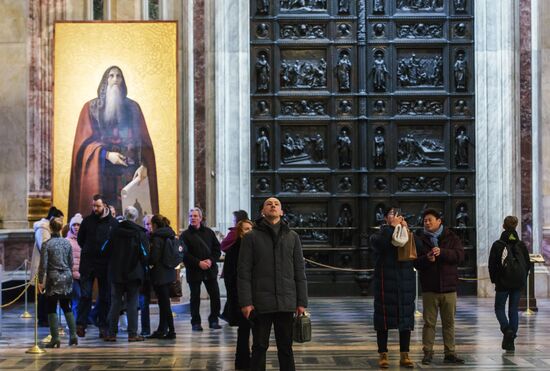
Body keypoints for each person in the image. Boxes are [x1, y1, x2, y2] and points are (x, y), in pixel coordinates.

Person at [68, 66, 159, 218]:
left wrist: (144, 166)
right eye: (111, 76)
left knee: (130, 218)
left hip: (129, 176)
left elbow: (144, 144)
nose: (115, 79)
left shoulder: (133, 108)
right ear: (105, 81)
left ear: (123, 81)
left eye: (118, 76)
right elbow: (83, 146)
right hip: (102, 175)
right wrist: (106, 154)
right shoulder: (91, 108)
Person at [238, 197, 308, 371]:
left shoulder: (293, 237)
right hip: (261, 302)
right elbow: (243, 272)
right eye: (269, 204)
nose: (273, 206)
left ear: (282, 212)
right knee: (259, 347)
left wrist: (302, 302)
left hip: (286, 302)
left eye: (277, 204)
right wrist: (246, 302)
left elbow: (300, 272)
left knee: (286, 348)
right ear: (263, 211)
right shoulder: (251, 237)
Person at [415, 208, 465, 365]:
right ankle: (428, 352)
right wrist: (426, 258)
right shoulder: (420, 239)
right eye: (425, 221)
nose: (427, 223)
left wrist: (442, 252)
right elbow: (415, 261)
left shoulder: (451, 237)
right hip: (430, 288)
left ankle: (450, 353)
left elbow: (459, 256)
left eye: (430, 220)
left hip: (449, 288)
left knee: (449, 322)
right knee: (429, 323)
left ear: (439, 221)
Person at [370, 207, 415, 368]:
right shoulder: (379, 234)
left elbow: (415, 253)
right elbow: (380, 244)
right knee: (383, 320)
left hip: (405, 283)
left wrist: (405, 229)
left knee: (406, 320)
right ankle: (383, 354)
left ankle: (405, 354)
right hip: (385, 282)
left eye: (398, 214)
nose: (395, 217)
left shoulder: (406, 232)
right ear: (385, 218)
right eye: (391, 214)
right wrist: (391, 228)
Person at [102, 206, 149, 342]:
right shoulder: (140, 233)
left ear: (124, 215)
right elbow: (145, 254)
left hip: (116, 273)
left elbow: (104, 250)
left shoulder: (114, 232)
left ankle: (111, 333)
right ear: (135, 217)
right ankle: (132, 334)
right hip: (134, 274)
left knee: (115, 302)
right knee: (132, 303)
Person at [76, 194, 120, 338]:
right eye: (93, 205)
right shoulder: (87, 221)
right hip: (88, 264)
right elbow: (81, 240)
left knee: (105, 297)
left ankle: (104, 326)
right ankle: (81, 324)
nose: (95, 208)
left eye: (98, 206)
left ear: (105, 206)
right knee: (85, 295)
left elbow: (115, 244)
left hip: (105, 265)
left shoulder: (113, 223)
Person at [488, 216, 530, 351]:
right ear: (516, 226)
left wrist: (495, 280)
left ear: (503, 226)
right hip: (518, 282)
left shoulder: (498, 245)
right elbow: (528, 264)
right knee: (513, 310)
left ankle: (507, 331)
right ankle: (510, 340)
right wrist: (523, 278)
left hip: (502, 282)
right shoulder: (521, 244)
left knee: (499, 308)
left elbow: (492, 265)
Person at [180, 207, 222, 331]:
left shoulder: (209, 232)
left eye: (195, 216)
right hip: (194, 270)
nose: (193, 218)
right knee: (195, 297)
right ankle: (195, 322)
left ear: (201, 218)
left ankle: (214, 319)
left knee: (215, 295)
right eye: (191, 216)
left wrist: (210, 260)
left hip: (209, 268)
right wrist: (198, 263)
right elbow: (184, 254)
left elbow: (217, 249)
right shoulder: (185, 235)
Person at [37, 217, 77, 348]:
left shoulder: (47, 244)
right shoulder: (67, 243)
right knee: (67, 306)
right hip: (67, 276)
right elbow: (71, 262)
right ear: (60, 228)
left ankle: (55, 338)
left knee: (51, 307)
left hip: (53, 278)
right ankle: (73, 335)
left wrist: (40, 281)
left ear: (51, 228)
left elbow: (43, 265)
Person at [224, 219, 254, 370]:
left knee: (258, 331)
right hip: (240, 297)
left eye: (251, 229)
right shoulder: (234, 250)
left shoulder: (256, 248)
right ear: (240, 232)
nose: (249, 231)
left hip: (257, 296)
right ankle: (242, 363)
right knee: (243, 331)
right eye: (246, 229)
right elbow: (229, 277)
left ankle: (255, 361)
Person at [30, 206, 64, 327]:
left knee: (49, 295)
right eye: (60, 220)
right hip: (43, 266)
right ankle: (43, 319)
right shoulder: (43, 228)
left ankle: (48, 317)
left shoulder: (51, 230)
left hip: (51, 266)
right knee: (43, 294)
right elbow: (44, 247)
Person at [147, 214, 178, 340]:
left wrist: (147, 260)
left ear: (154, 225)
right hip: (169, 273)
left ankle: (171, 331)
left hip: (160, 274)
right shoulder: (170, 234)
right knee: (164, 303)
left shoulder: (157, 238)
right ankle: (161, 329)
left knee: (164, 304)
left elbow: (154, 257)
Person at [66, 213, 83, 318]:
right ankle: (75, 323)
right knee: (77, 298)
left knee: (82, 299)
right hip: (72, 275)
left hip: (83, 274)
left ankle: (80, 321)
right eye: (74, 225)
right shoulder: (67, 241)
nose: (76, 227)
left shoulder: (85, 239)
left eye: (78, 225)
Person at [139, 214, 153, 336]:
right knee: (144, 302)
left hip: (158, 274)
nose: (150, 227)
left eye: (151, 224)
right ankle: (145, 329)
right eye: (147, 224)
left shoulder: (160, 237)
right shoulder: (142, 237)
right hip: (145, 275)